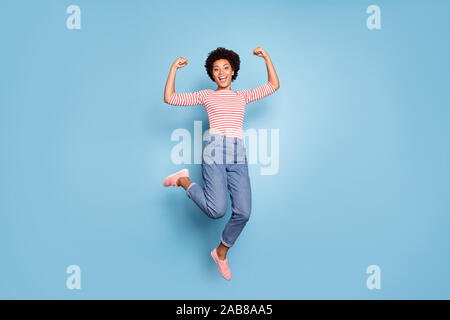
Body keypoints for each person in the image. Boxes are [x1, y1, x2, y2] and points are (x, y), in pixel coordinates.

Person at [163, 46, 280, 280]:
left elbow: (273, 85)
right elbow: (169, 98)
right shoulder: (207, 95)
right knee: (217, 211)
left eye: (226, 67)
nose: (221, 72)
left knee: (244, 212)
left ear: (233, 70)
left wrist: (267, 57)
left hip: (238, 152)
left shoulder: (242, 96)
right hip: (215, 149)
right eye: (216, 69)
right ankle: (183, 180)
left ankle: (221, 253)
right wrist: (173, 69)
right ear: (212, 74)